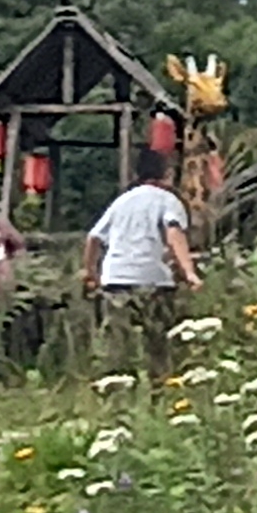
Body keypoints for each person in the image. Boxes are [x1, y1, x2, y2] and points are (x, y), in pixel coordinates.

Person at [80, 153, 199, 369]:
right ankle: (158, 389)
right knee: (158, 343)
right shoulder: (168, 200)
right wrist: (189, 271)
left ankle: (118, 389)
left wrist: (90, 272)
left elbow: (93, 238)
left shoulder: (121, 201)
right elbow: (174, 235)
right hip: (153, 280)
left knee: (118, 343)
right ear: (168, 173)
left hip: (116, 279)